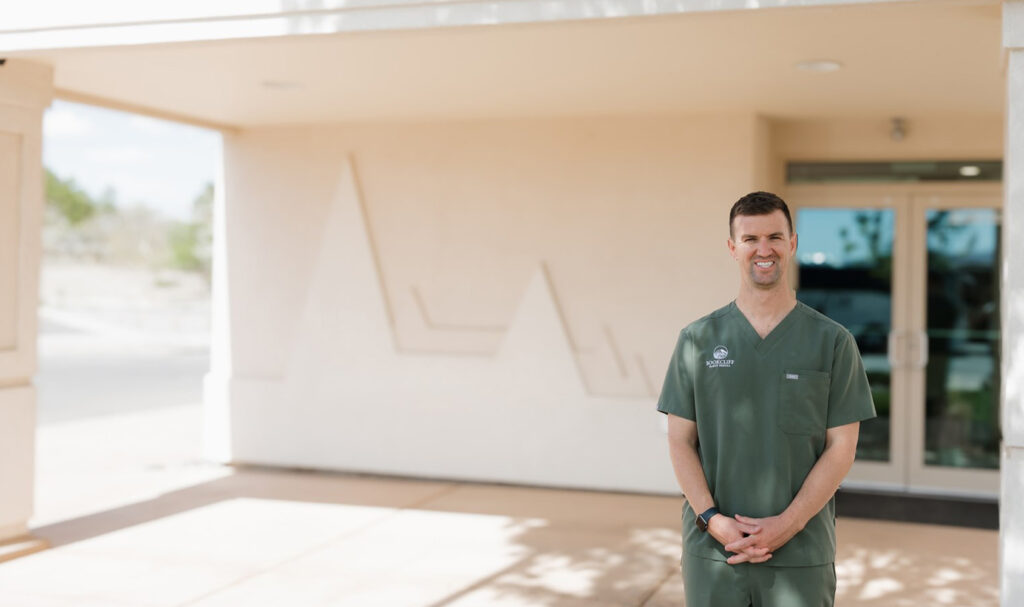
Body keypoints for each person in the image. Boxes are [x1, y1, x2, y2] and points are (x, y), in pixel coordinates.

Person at [657, 191, 876, 607]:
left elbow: (841, 448)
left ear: (792, 244)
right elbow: (679, 441)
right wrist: (712, 520)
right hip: (714, 553)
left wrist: (788, 525)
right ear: (732, 248)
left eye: (775, 237)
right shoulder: (697, 340)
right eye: (750, 239)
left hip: (800, 555)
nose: (764, 249)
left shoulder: (832, 342)